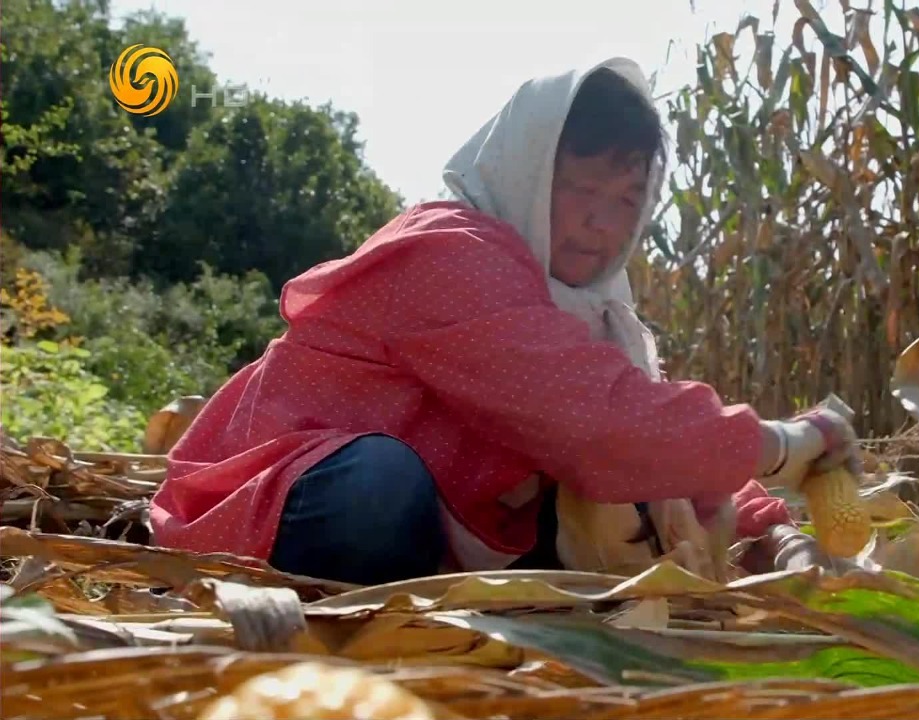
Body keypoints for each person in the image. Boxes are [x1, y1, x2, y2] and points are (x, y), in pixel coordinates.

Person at [149, 57, 861, 586]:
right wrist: (786, 441)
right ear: (525, 171)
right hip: (279, 498)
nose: (600, 223)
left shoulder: (595, 314)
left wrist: (776, 533)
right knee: (379, 491)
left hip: (445, 533)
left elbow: (649, 440)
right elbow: (599, 423)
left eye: (626, 200)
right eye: (580, 188)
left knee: (587, 526)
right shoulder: (451, 251)